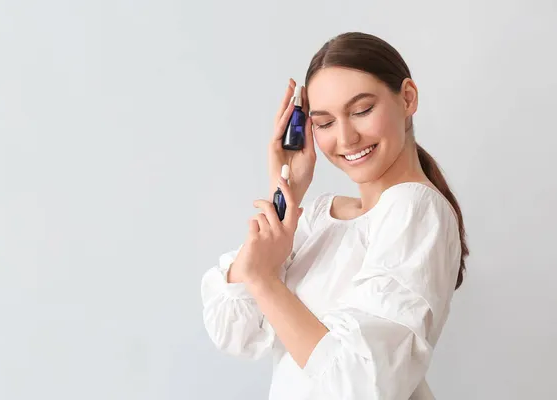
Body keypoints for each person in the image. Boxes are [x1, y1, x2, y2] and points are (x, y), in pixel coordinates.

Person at [200, 32, 469, 400]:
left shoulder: (415, 209)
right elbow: (233, 330)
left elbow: (359, 384)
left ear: (407, 98)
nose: (346, 138)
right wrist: (284, 194)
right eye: (324, 123)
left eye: (361, 111)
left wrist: (265, 279)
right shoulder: (318, 218)